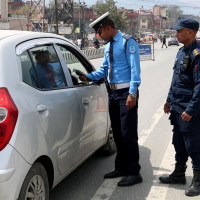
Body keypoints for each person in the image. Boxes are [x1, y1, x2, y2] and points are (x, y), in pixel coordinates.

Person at [79, 12, 142, 187]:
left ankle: (134, 172)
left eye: (99, 32)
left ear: (107, 28)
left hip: (126, 94)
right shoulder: (107, 47)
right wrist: (88, 76)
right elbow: (104, 70)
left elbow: (135, 70)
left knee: (128, 134)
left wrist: (132, 93)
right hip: (113, 94)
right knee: (118, 132)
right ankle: (121, 168)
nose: (98, 36)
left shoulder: (128, 42)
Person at [159, 18, 200, 197]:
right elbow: (176, 79)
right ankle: (178, 174)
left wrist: (190, 110)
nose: (176, 34)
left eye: (179, 31)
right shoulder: (180, 52)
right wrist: (169, 100)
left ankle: (198, 182)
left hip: (189, 110)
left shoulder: (197, 54)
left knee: (194, 145)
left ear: (190, 32)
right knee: (179, 143)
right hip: (177, 107)